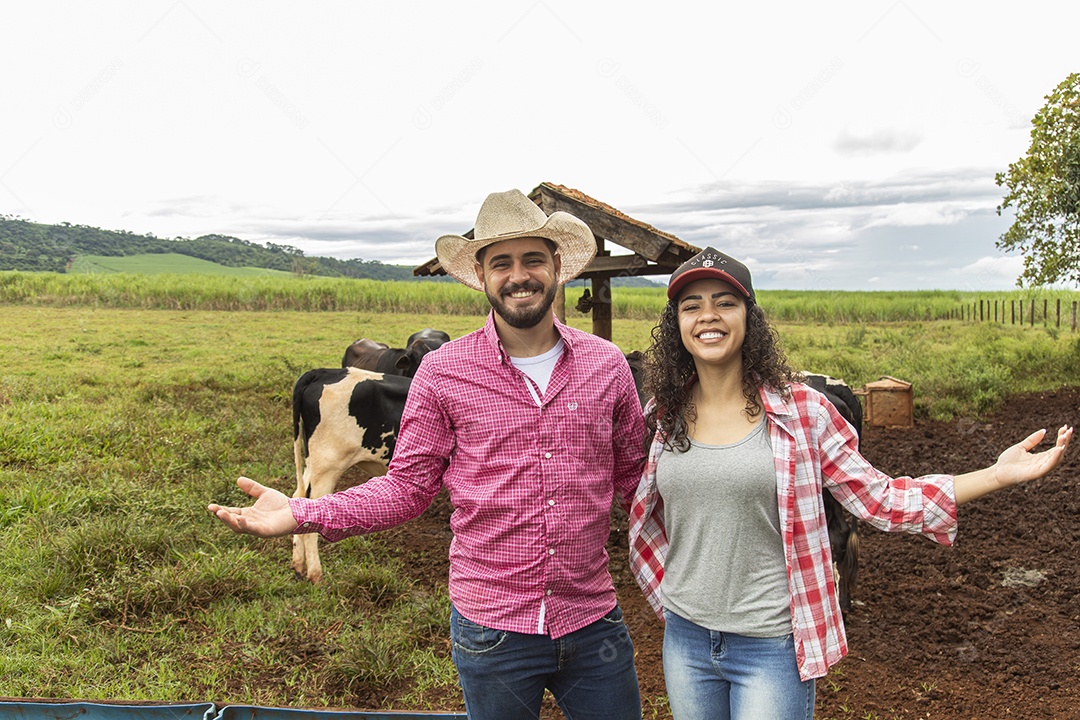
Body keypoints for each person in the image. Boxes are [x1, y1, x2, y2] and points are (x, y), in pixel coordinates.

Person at [208, 189, 647, 719]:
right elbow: (407, 487)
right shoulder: (443, 372)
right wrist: (303, 513)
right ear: (480, 276)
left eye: (533, 259)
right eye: (501, 263)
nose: (519, 276)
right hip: (493, 629)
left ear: (557, 266)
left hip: (593, 623)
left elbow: (637, 480)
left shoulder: (606, 365)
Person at [627, 246, 1072, 720]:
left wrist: (995, 474)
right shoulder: (664, 416)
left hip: (770, 646)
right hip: (686, 640)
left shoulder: (804, 412)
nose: (708, 316)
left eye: (725, 302)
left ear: (749, 318)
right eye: (691, 305)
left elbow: (880, 499)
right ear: (676, 324)